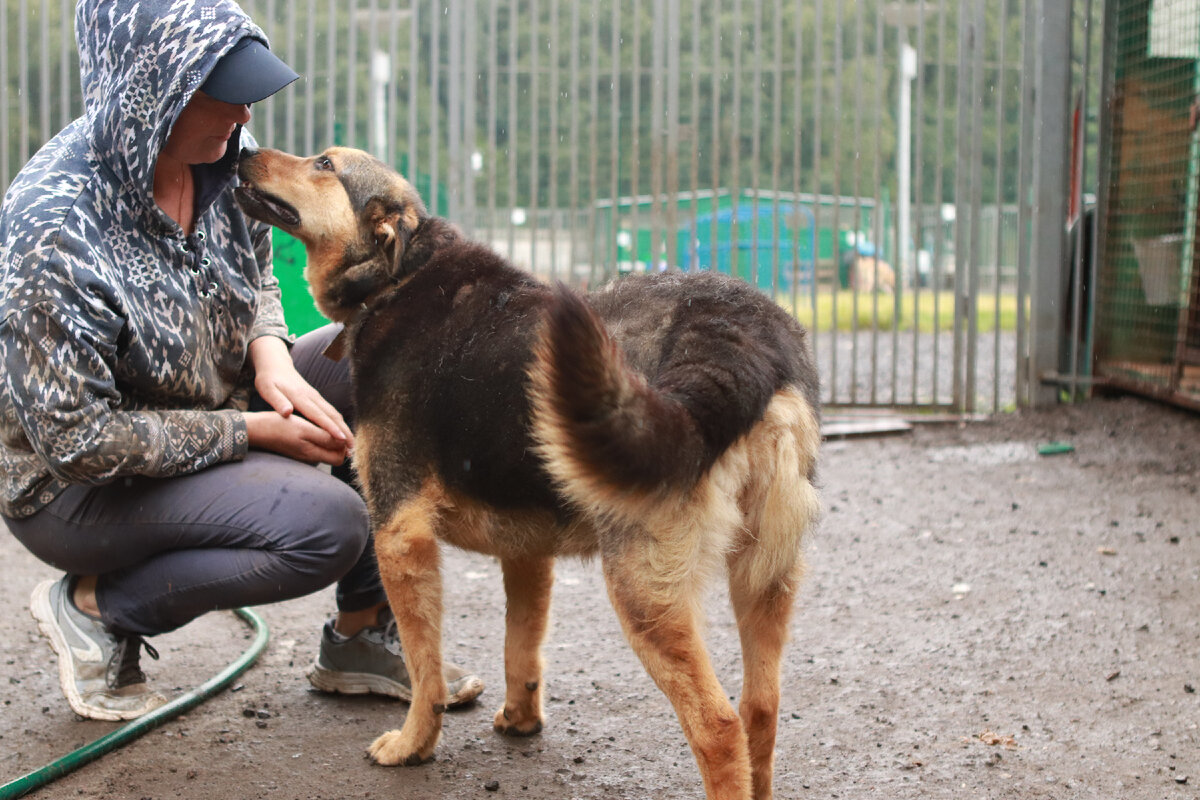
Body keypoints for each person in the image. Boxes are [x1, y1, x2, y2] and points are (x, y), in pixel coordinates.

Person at [0, 0, 481, 721]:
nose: (246, 114)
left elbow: (255, 274)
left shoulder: (216, 159)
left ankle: (361, 634)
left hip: (216, 402)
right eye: (221, 93)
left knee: (388, 359)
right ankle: (100, 606)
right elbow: (79, 442)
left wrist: (273, 360)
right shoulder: (54, 231)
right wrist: (253, 433)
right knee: (328, 525)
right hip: (82, 489)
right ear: (150, 90)